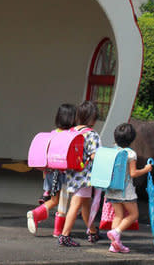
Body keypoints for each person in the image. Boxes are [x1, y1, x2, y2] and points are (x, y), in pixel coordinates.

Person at [56, 100, 101, 247]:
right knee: (75, 205)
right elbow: (95, 155)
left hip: (72, 173)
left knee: (86, 204)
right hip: (85, 175)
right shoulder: (92, 134)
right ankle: (65, 235)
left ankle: (92, 231)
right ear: (92, 118)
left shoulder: (72, 131)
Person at [26, 103, 76, 236]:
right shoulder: (72, 135)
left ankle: (36, 214)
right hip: (65, 175)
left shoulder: (52, 134)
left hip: (51, 174)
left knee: (54, 200)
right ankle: (57, 230)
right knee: (63, 204)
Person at [104, 122, 153, 254]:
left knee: (118, 216)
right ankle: (116, 232)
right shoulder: (130, 154)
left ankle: (114, 245)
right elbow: (133, 173)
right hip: (125, 190)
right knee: (133, 214)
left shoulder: (113, 150)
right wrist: (146, 169)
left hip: (111, 189)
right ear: (132, 138)